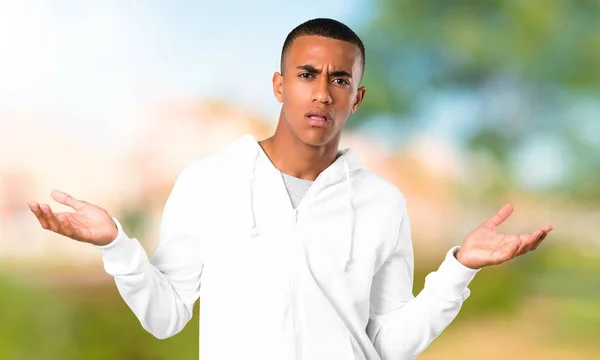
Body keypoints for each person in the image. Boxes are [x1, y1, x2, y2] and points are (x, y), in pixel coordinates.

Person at [28, 18, 552, 360]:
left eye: (339, 80)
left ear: (358, 96)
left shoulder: (382, 203)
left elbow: (388, 345)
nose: (322, 92)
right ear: (279, 85)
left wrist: (458, 269)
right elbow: (167, 318)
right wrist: (116, 245)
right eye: (306, 74)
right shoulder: (208, 182)